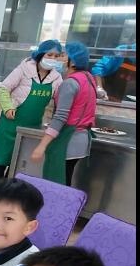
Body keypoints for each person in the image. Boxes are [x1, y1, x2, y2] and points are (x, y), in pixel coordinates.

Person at [0, 40, 64, 183]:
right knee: (0, 161)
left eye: (56, 56)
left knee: (18, 164)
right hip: (10, 124)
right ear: (41, 54)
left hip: (31, 127)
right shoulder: (24, 69)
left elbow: (60, 101)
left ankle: (8, 192)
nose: (53, 58)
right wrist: (8, 107)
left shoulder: (57, 78)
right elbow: (3, 89)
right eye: (49, 54)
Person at [30, 41, 98, 185]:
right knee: (65, 181)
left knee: (57, 184)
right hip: (82, 140)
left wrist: (42, 146)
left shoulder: (70, 83)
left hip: (68, 141)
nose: (58, 58)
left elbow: (60, 117)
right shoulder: (88, 78)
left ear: (72, 61)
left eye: (62, 55)